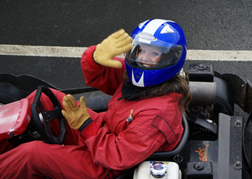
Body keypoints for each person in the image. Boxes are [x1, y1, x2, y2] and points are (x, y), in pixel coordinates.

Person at [0, 19, 191, 179]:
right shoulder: (140, 75)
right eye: (141, 50)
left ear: (169, 58)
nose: (143, 58)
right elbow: (99, 76)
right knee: (43, 99)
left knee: (32, 155)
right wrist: (94, 57)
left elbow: (117, 157)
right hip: (102, 135)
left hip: (107, 167)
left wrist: (85, 125)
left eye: (154, 53)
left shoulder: (159, 114)